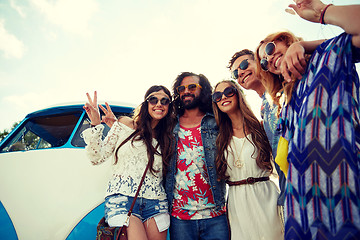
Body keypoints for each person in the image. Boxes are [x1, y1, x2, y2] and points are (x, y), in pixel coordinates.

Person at [256, 0, 360, 239]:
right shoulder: (285, 103)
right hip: (301, 204)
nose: (269, 60)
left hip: (346, 191)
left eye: (270, 49)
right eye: (264, 61)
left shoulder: (329, 55)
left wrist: (322, 13)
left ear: (286, 40)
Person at [81, 86, 175, 240]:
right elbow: (97, 157)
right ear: (146, 104)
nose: (159, 104)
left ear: (168, 107)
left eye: (164, 101)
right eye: (154, 99)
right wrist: (95, 124)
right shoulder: (125, 124)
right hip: (122, 201)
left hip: (157, 203)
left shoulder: (168, 138)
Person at [212, 79, 283, 240]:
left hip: (266, 196)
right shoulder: (218, 137)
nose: (223, 97)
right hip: (237, 201)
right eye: (217, 95)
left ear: (238, 94)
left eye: (228, 92)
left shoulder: (262, 127)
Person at [164, 72, 229, 240]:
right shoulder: (170, 124)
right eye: (182, 88)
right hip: (180, 217)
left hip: (215, 214)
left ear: (204, 90)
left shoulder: (216, 121)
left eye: (192, 87)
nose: (186, 91)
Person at [228, 49, 286, 213]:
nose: (240, 72)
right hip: (289, 191)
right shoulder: (263, 108)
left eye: (244, 64)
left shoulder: (286, 87)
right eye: (235, 73)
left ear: (259, 62)